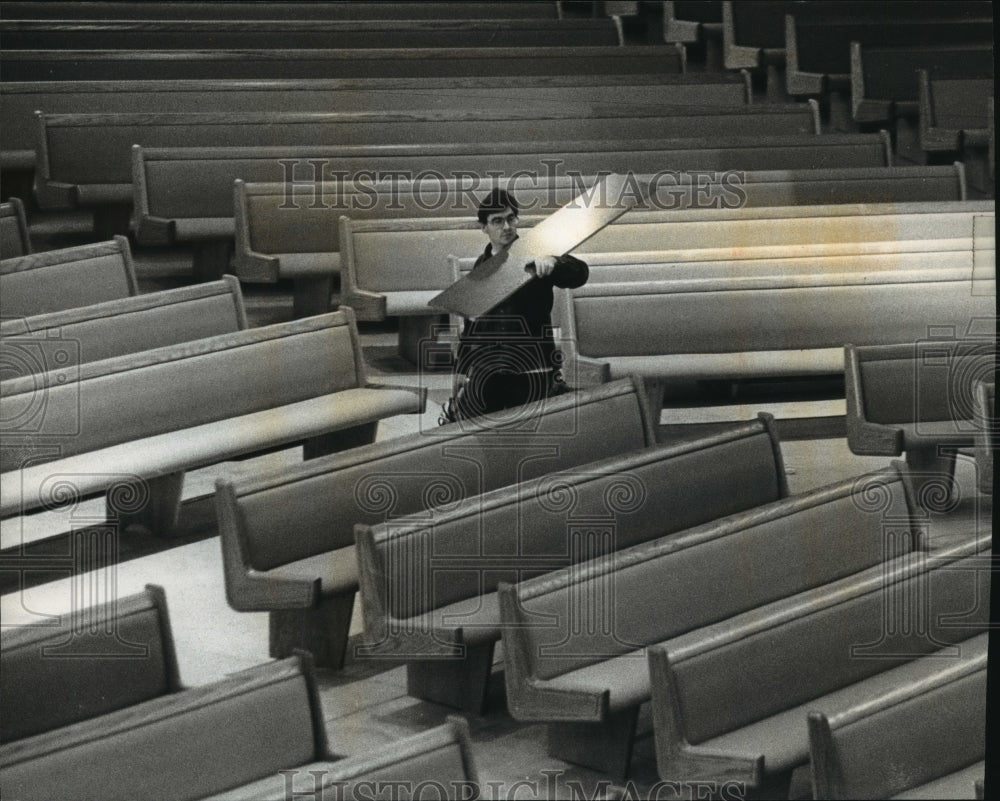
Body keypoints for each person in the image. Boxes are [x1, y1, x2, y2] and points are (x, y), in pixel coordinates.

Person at [440, 188, 589, 423]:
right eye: (497, 221)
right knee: (471, 432)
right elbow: (472, 326)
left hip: (532, 370)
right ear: (484, 227)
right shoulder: (481, 268)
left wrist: (554, 262)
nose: (507, 226)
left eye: (511, 218)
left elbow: (580, 273)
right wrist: (461, 370)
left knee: (534, 436)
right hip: (489, 375)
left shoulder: (537, 253)